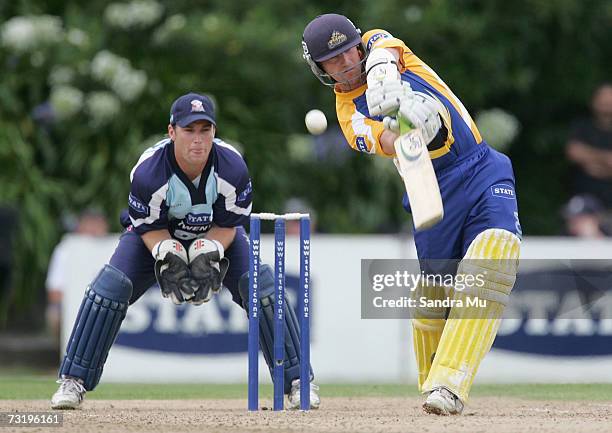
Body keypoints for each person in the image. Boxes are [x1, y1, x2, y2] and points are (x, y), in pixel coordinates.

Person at [302, 14, 521, 415]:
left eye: (349, 50)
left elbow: (385, 49)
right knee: (432, 294)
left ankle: (450, 386)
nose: (347, 62)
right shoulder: (349, 117)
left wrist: (386, 77)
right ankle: (432, 388)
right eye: (332, 60)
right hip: (431, 188)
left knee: (496, 254)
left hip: (480, 167)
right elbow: (387, 140)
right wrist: (411, 127)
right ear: (321, 69)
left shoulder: (380, 44)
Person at [50, 92, 319, 410]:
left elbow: (231, 224)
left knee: (262, 286)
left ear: (214, 133)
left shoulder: (231, 167)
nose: (198, 140)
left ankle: (298, 382)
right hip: (154, 235)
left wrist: (211, 250)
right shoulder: (150, 172)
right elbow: (146, 226)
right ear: (171, 131)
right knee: (109, 287)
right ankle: (73, 380)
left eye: (205, 130)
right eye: (189, 130)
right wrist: (168, 251)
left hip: (219, 235)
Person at [46, 209, 109, 348]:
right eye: (90, 225)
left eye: (98, 225)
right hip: (75, 305)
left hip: (106, 305)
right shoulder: (65, 250)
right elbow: (55, 291)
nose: (94, 230)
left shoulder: (114, 248)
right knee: (54, 314)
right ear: (80, 226)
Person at [565, 83, 612, 209]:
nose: (606, 103)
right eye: (603, 98)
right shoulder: (582, 127)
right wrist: (606, 159)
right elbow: (573, 152)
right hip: (581, 204)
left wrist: (591, 160)